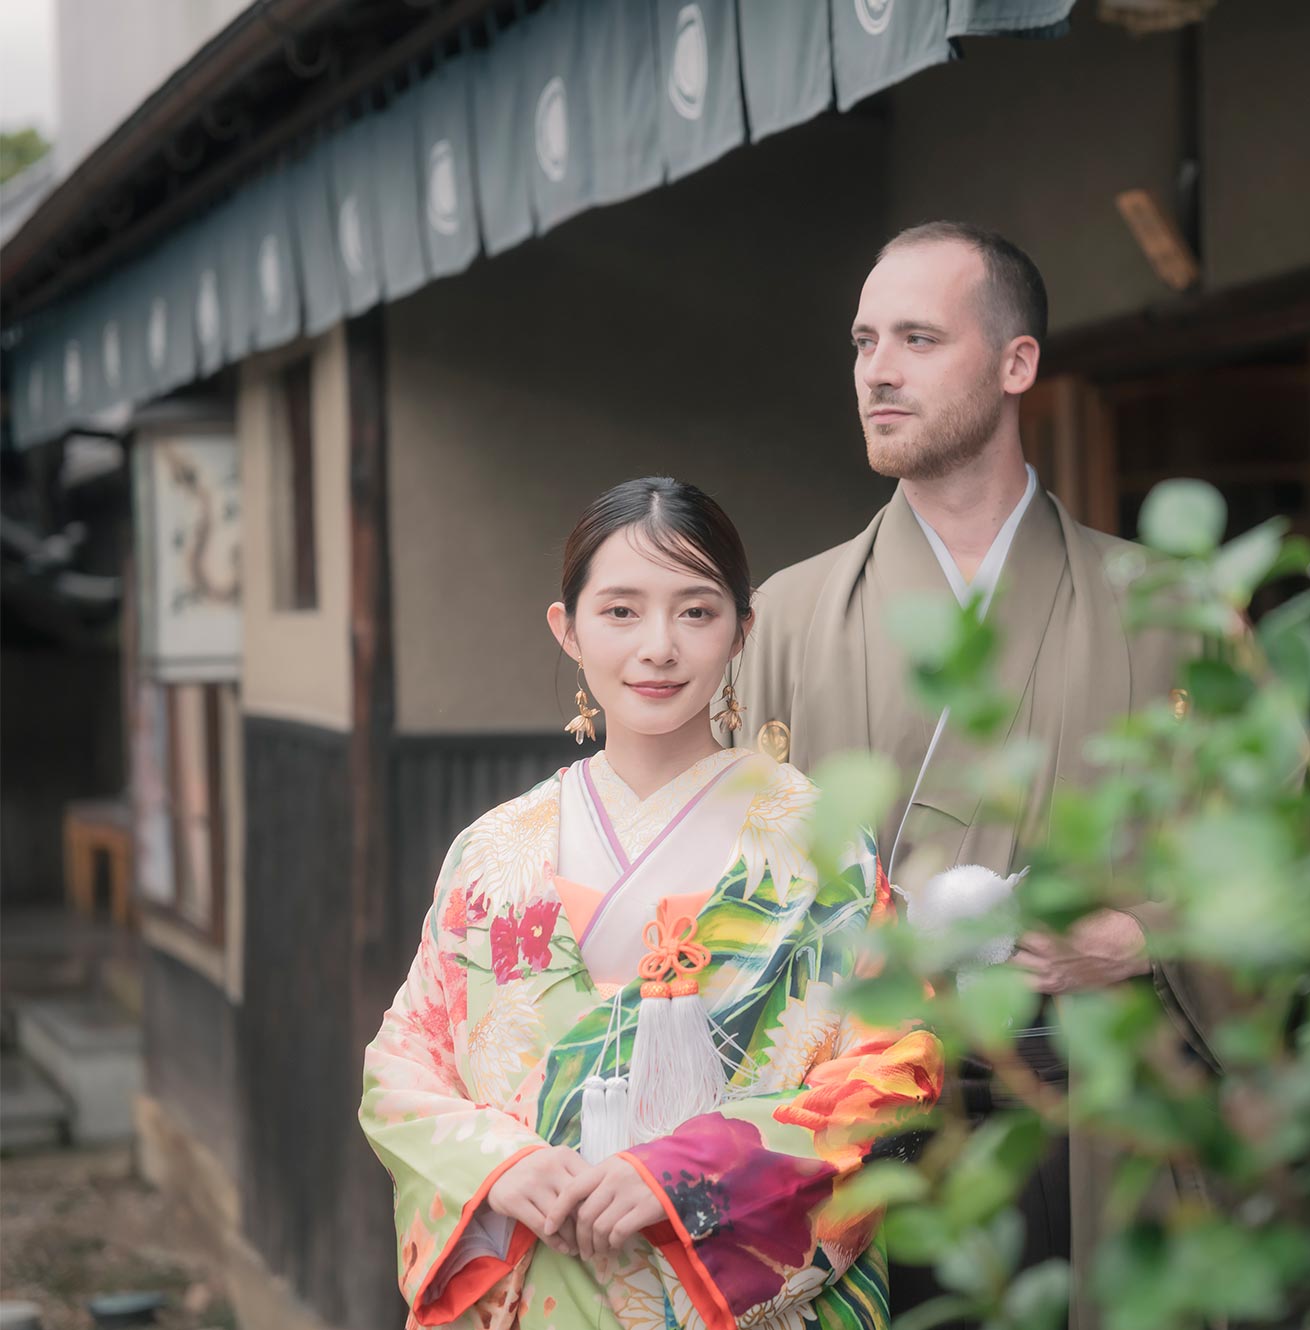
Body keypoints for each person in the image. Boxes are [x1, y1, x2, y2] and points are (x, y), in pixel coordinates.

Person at [727, 223, 1213, 1330]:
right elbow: (722, 899)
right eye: (861, 341)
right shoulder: (785, 622)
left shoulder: (1164, 608)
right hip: (857, 1131)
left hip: (1088, 1113)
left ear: (1015, 364)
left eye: (914, 337)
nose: (875, 371)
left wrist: (1142, 938)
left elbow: (1280, 863)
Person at [360, 478, 941, 1330]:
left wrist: (686, 1176)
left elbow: (895, 1066)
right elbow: (403, 1067)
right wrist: (499, 1166)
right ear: (568, 630)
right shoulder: (495, 849)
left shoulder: (817, 842)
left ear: (744, 629)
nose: (658, 647)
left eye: (697, 612)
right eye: (621, 611)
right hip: (541, 1280)